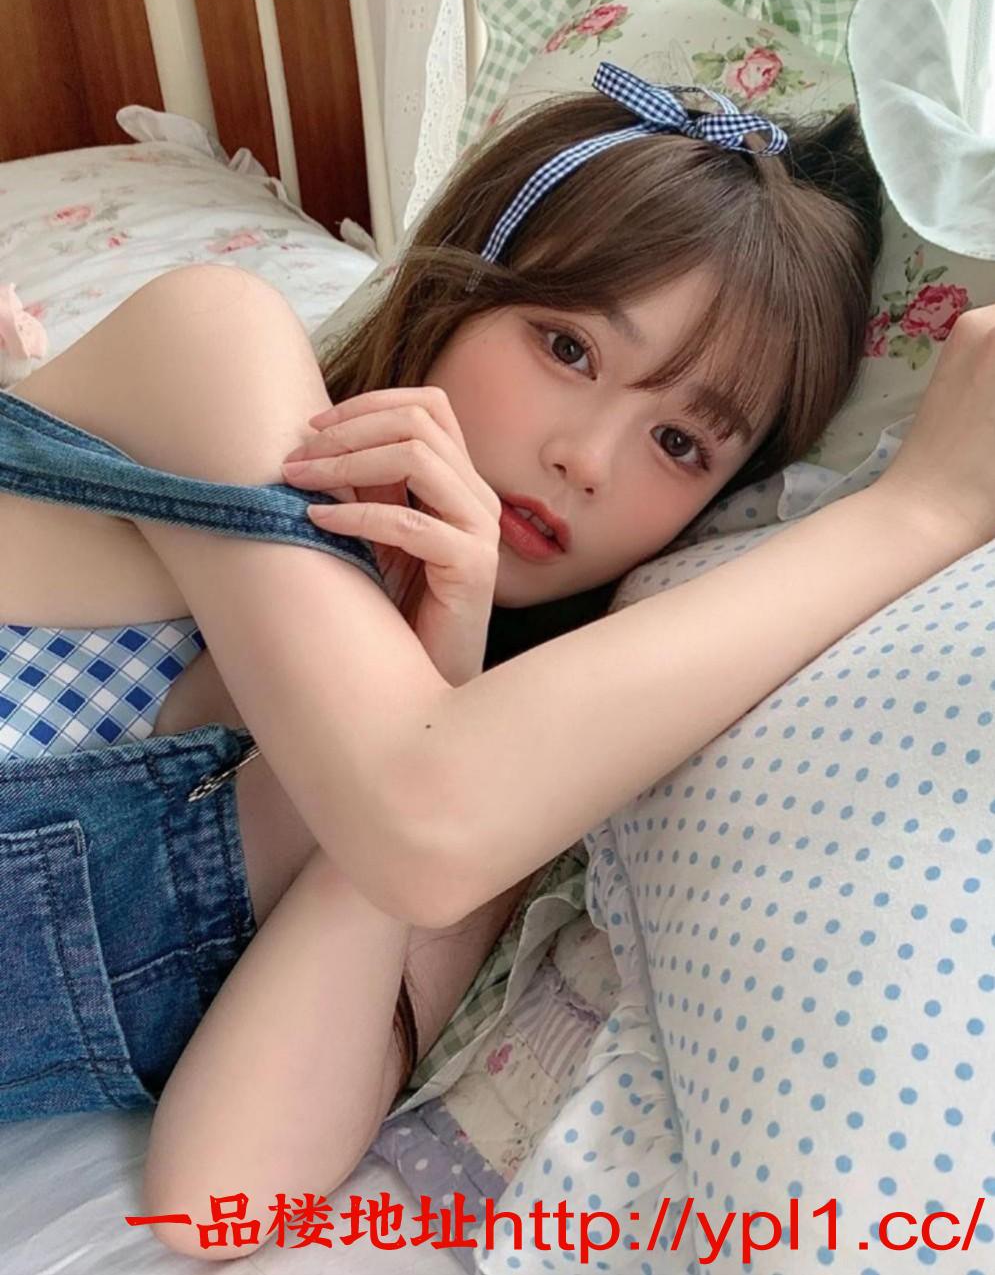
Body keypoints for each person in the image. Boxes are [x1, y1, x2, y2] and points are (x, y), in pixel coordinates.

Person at [1, 62, 992, 1258]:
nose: (587, 458)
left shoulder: (480, 795)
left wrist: (445, 676)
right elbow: (420, 807)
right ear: (457, 285)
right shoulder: (217, 348)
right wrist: (916, 513)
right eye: (565, 347)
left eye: (679, 443)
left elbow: (224, 1197)